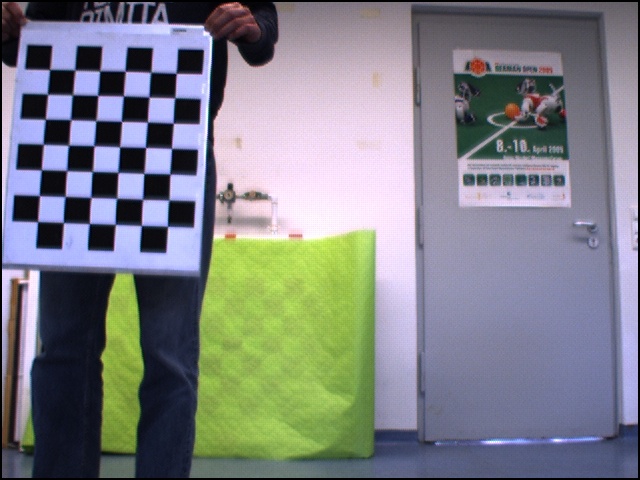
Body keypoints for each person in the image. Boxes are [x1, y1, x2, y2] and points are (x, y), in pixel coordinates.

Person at [1, 2, 278, 477]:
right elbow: (25, 40)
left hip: (175, 150)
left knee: (168, 355)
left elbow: (263, 33)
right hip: (74, 150)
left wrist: (252, 27)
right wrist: (9, 30)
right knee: (65, 350)